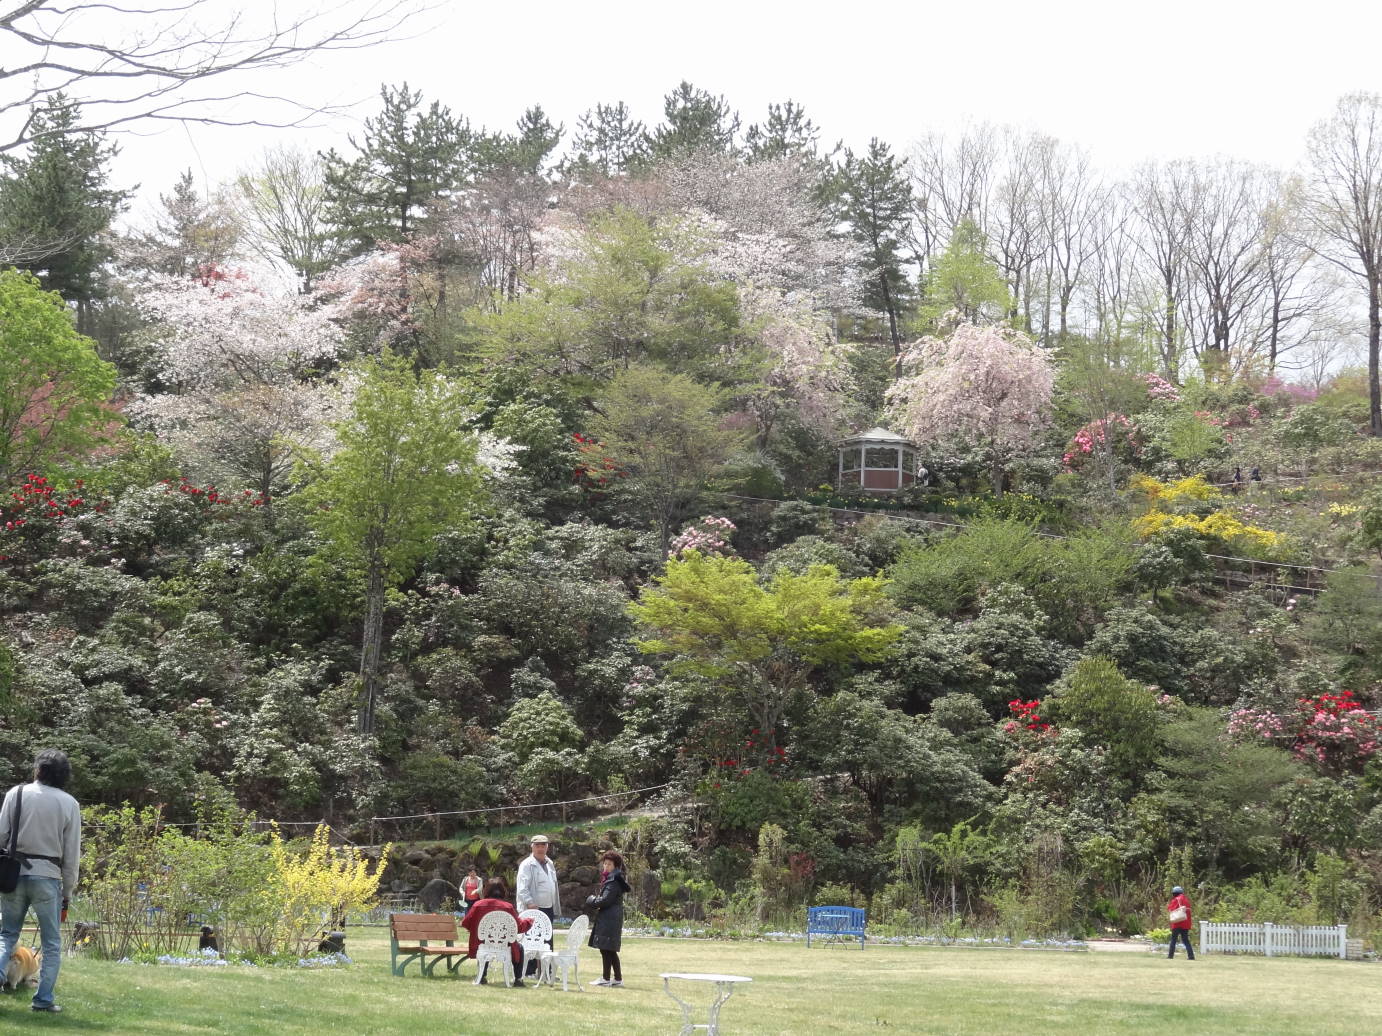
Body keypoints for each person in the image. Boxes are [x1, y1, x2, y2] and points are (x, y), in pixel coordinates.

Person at [0, 749, 82, 1013]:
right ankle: (43, 1000)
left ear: (38, 769)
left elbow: (1, 836)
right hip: (48, 877)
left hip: (13, 874)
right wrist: (67, 892)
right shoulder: (69, 803)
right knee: (51, 943)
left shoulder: (17, 793)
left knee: (7, 935)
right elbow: (71, 854)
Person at [460, 878, 532, 986]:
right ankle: (518, 980)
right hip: (504, 944)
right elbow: (518, 927)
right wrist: (529, 921)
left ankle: (482, 976)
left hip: (483, 942)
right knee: (519, 948)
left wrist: (480, 930)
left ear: (486, 890)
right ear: (503, 890)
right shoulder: (508, 907)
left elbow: (466, 923)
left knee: (483, 943)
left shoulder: (478, 905)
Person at [515, 834, 561, 976]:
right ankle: (529, 971)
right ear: (532, 847)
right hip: (533, 909)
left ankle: (547, 971)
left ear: (548, 846)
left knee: (547, 940)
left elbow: (553, 885)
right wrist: (530, 903)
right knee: (531, 939)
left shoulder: (550, 863)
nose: (540, 848)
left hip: (548, 907)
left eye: (543, 845)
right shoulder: (527, 864)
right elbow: (522, 887)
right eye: (537, 845)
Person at [586, 850, 632, 987]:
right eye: (605, 864)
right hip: (611, 918)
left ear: (616, 866)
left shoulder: (613, 882)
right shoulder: (613, 879)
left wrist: (591, 900)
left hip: (609, 919)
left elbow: (605, 901)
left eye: (609, 864)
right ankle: (617, 979)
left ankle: (606, 978)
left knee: (606, 949)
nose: (606, 867)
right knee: (608, 949)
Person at [1166, 885, 1194, 960]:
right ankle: (1191, 956)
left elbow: (1170, 908)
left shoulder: (1176, 899)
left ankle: (1170, 956)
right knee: (1186, 940)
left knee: (1173, 939)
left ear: (1175, 893)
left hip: (1177, 922)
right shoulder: (1186, 900)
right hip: (1185, 923)